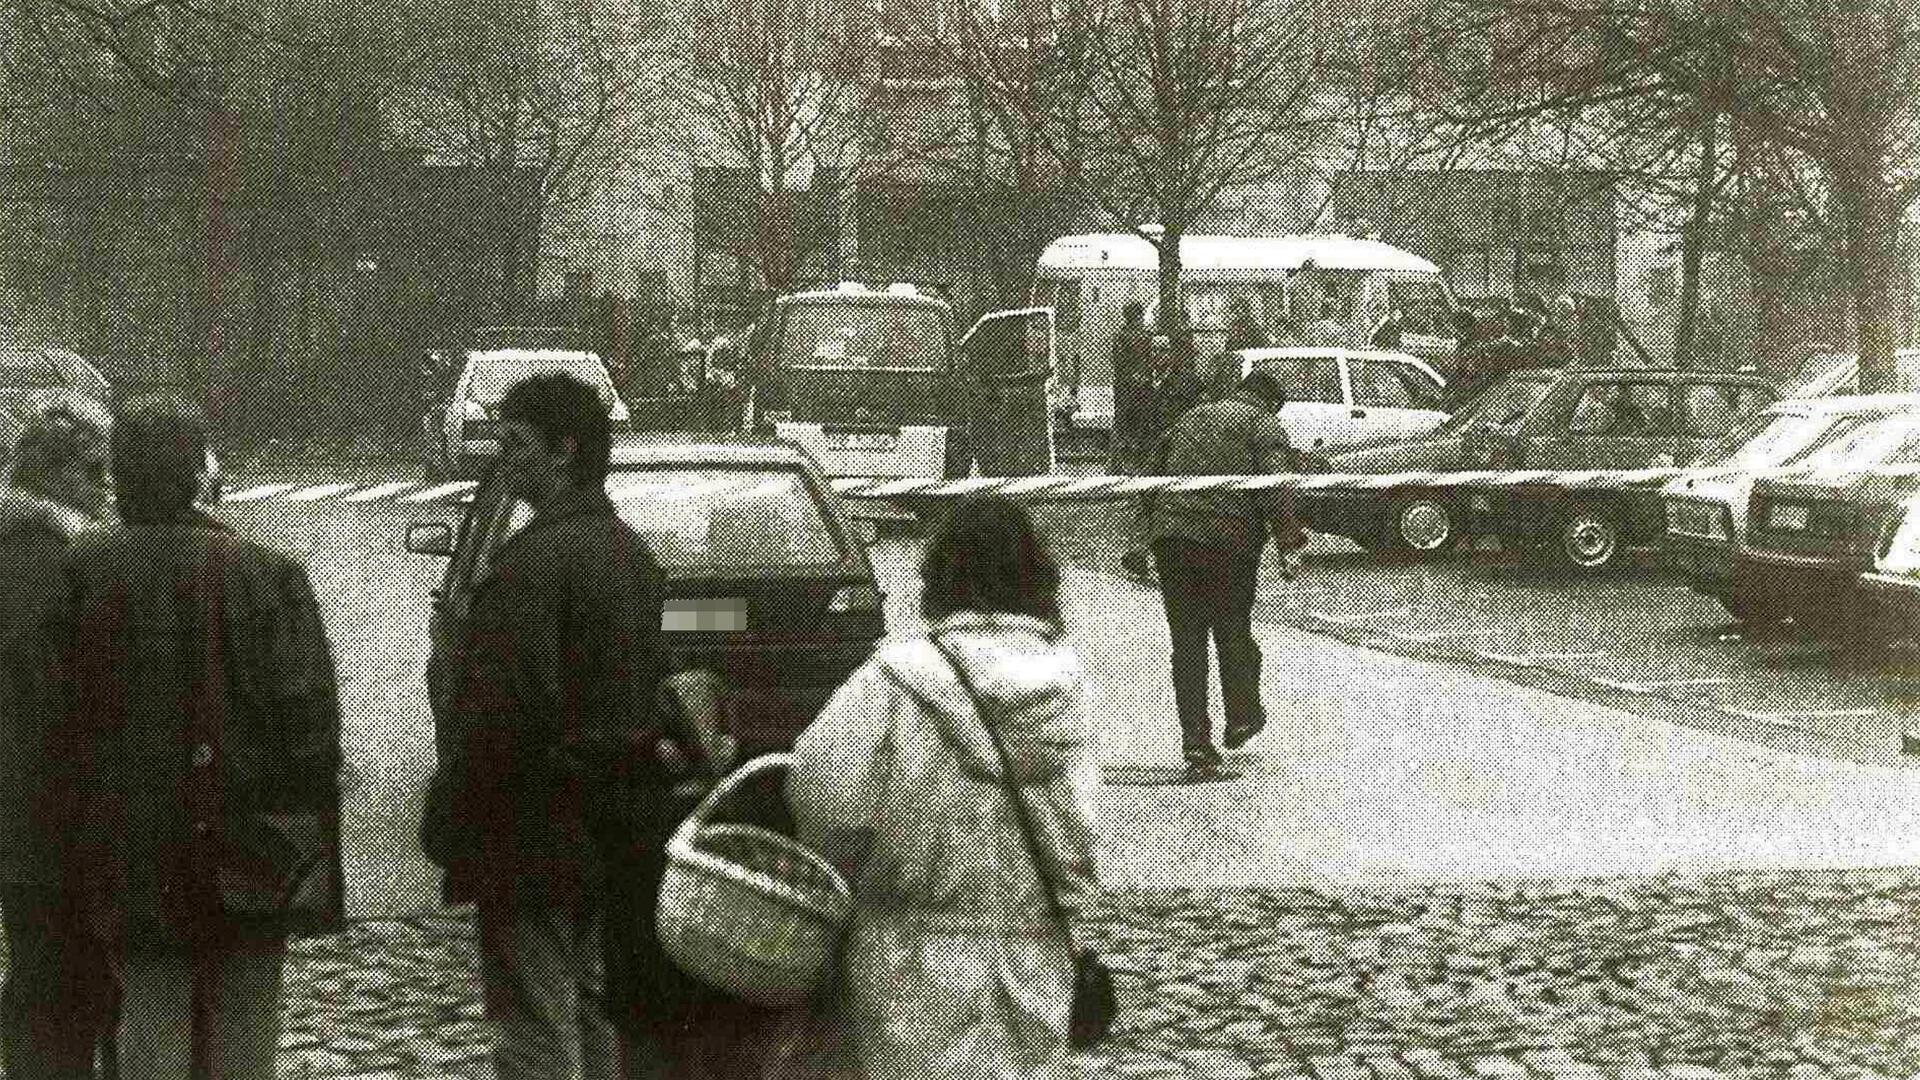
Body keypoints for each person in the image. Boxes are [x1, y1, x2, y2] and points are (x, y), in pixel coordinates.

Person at [428, 371, 725, 1080]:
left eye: (518, 444)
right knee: (595, 1005)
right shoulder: (628, 552)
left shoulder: (531, 564)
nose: (506, 460)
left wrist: (453, 812)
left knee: (534, 1021)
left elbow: (502, 714)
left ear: (564, 451)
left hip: (533, 827)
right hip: (616, 826)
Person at [46, 395, 342, 1079]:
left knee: (150, 1012)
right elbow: (309, 725)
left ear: (120, 475)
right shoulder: (265, 573)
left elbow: (58, 722)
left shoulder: (83, 572)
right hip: (252, 834)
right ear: (198, 470)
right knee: (244, 1020)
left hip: (130, 838)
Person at [787, 494, 1102, 1080]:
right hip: (1032, 961)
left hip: (904, 959)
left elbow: (828, 794)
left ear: (936, 579)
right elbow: (1085, 830)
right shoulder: (1068, 687)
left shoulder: (892, 681)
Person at [0, 402, 117, 1080]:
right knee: (70, 984)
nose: (105, 488)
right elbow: (60, 697)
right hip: (60, 811)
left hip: (20, 813)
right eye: (92, 472)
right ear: (53, 478)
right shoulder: (57, 564)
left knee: (40, 973)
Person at [1141, 370, 1307, 783]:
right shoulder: (1263, 424)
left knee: (1187, 641)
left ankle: (1196, 743)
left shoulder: (1191, 417)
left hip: (1172, 539)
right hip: (1227, 540)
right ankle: (1242, 716)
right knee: (1233, 631)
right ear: (1271, 403)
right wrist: (1289, 542)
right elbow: (1276, 486)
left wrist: (1147, 537)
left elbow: (1148, 479)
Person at [1114, 334, 1206, 583]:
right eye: (1155, 351)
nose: (1159, 355)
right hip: (1148, 452)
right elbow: (1128, 417)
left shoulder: (1188, 383)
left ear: (1173, 355)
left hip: (1178, 452)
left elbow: (1198, 415)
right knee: (1145, 499)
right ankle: (1139, 552)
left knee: (1180, 504)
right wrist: (1128, 446)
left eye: (1164, 350)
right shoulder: (1140, 383)